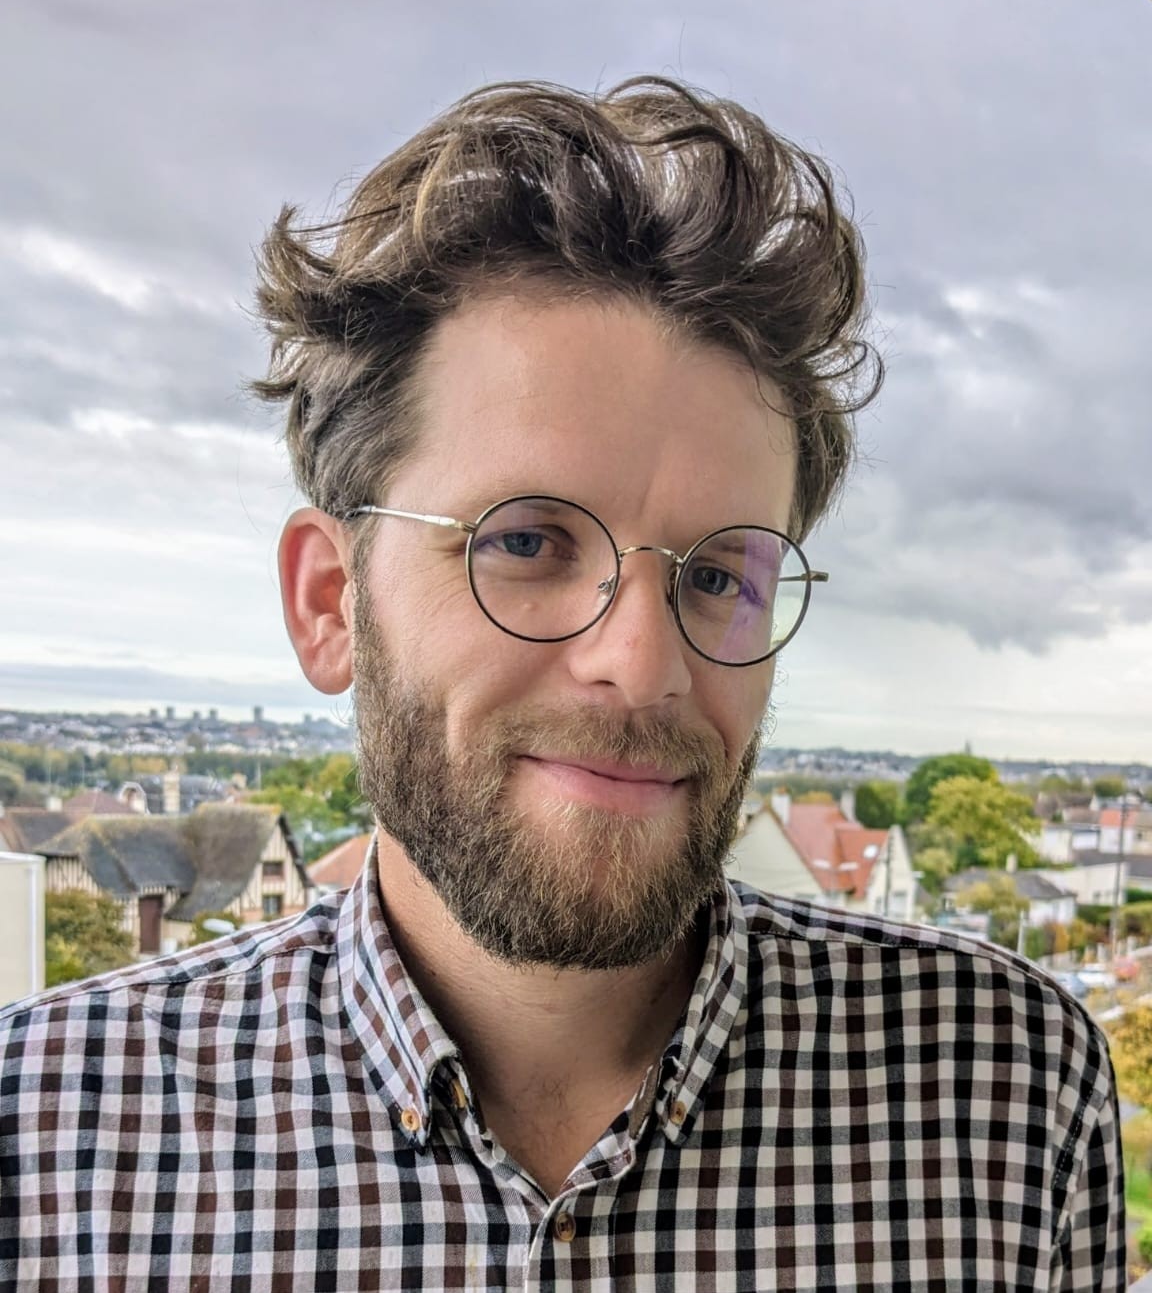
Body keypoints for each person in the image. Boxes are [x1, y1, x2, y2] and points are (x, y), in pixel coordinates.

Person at [0, 78, 1123, 1290]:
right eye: (526, 543)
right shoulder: (49, 1138)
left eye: (719, 575)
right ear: (331, 604)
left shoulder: (1005, 1094)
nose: (641, 665)